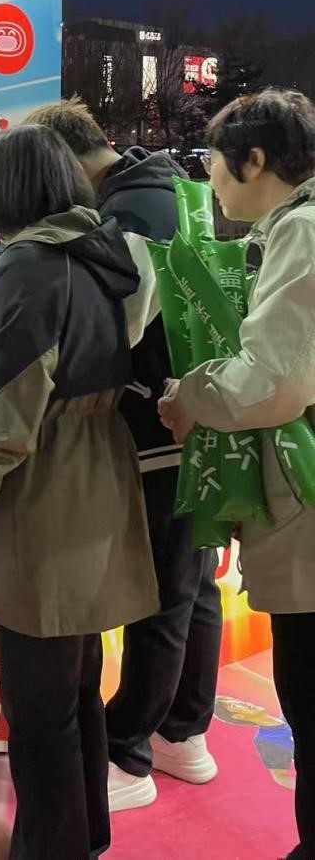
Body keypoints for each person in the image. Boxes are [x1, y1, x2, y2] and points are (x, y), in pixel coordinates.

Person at [0, 125, 159, 860]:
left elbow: (1, 416)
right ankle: (85, 835)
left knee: (38, 709)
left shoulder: (28, 266)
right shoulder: (94, 251)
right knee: (75, 686)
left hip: (43, 490)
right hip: (97, 473)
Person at [26, 97, 222, 808]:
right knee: (192, 585)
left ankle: (127, 751)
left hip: (162, 424)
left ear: (64, 161)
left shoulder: (134, 215)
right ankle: (183, 730)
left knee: (163, 591)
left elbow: (119, 329)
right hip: (196, 417)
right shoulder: (168, 188)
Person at [158, 89, 315, 860]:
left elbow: (276, 379)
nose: (209, 181)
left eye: (214, 163)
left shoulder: (304, 232)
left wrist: (191, 395)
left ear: (254, 161)